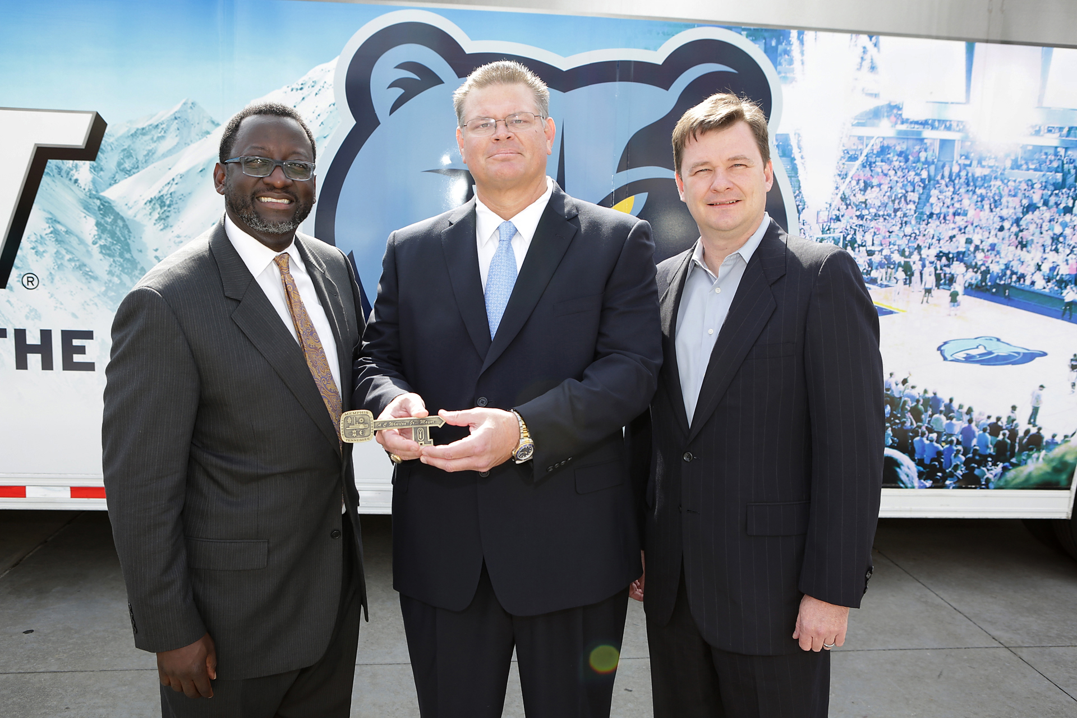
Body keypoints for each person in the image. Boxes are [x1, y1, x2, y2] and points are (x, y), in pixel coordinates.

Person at [354, 61, 662, 718]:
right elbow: (376, 359)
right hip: (444, 553)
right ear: (461, 142)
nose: (501, 133)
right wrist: (390, 402)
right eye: (483, 123)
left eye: (517, 119)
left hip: (572, 551)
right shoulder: (411, 249)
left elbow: (631, 371)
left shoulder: (615, 242)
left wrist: (524, 431)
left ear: (547, 132)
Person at [102, 103, 367, 718]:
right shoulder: (166, 302)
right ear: (222, 177)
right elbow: (141, 488)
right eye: (257, 161)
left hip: (329, 607)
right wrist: (170, 629)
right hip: (229, 626)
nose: (279, 178)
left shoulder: (332, 268)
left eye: (296, 165)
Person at [633, 93, 883, 718]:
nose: (720, 183)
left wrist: (831, 591)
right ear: (680, 185)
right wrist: (640, 544)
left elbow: (851, 451)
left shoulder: (821, 277)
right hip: (675, 597)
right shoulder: (660, 283)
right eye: (702, 170)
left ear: (767, 174)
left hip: (775, 600)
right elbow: (653, 437)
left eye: (737, 165)